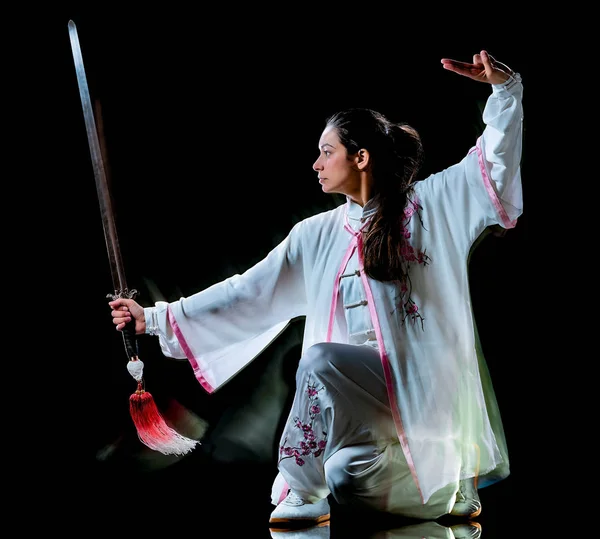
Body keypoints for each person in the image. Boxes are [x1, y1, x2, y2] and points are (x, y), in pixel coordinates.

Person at [109, 49, 523, 526]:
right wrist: (155, 317)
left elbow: (491, 165)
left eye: (327, 151)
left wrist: (505, 91)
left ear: (361, 157)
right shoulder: (316, 235)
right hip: (363, 408)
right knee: (346, 478)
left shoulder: (431, 205)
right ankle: (449, 483)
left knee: (321, 358)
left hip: (424, 390)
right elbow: (247, 292)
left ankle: (303, 490)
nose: (316, 164)